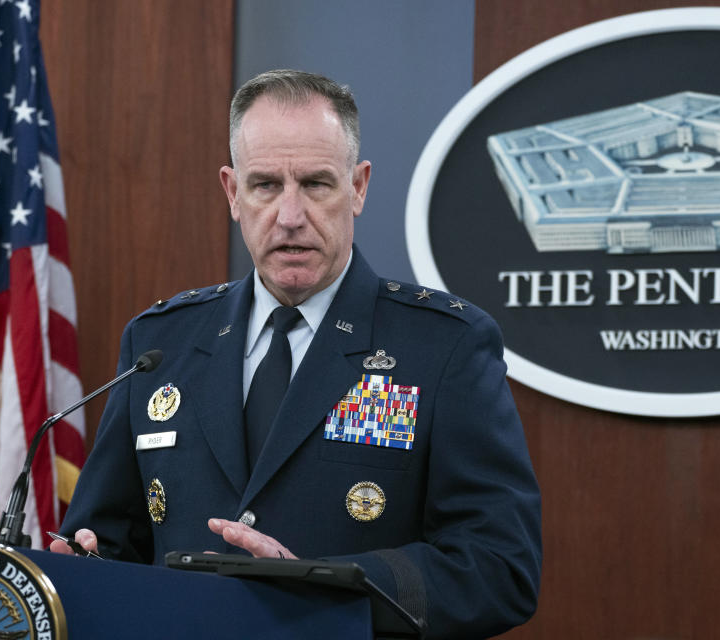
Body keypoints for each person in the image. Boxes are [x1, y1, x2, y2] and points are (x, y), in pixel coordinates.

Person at [53, 70, 541, 638]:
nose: (289, 215)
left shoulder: (444, 345)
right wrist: (81, 562)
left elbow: (500, 565)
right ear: (233, 193)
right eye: (265, 185)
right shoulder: (160, 344)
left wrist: (325, 587)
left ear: (357, 187)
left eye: (315, 184)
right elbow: (111, 540)